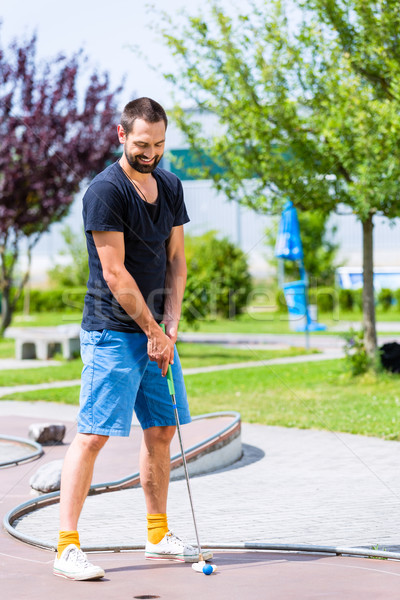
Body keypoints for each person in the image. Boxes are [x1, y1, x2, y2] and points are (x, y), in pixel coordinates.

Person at [53, 97, 211, 581]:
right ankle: (66, 547)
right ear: (121, 136)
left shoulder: (169, 184)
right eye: (143, 144)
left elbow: (177, 259)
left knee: (162, 430)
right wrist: (153, 332)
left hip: (156, 331)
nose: (152, 153)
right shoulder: (105, 191)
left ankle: (159, 534)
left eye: (160, 144)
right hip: (112, 331)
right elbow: (116, 273)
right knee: (94, 434)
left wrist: (171, 323)